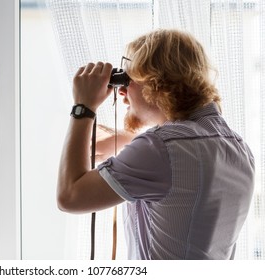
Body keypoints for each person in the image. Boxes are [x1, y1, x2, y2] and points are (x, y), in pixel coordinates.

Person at [57, 29, 255, 260]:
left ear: (157, 82)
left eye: (128, 80)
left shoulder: (160, 149)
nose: (121, 91)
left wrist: (83, 106)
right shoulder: (238, 147)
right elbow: (183, 165)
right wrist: (127, 139)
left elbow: (69, 197)